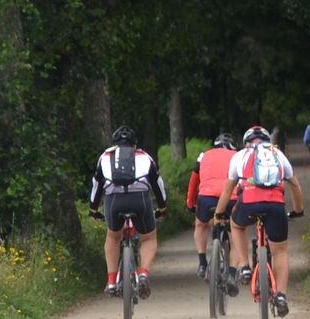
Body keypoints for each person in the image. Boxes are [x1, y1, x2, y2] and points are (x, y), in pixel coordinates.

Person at [214, 125, 307, 315]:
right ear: (268, 141)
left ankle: (245, 266)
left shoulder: (239, 156)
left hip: (248, 203)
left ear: (246, 143)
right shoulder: (278, 155)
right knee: (280, 252)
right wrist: (298, 210)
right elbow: (295, 186)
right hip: (275, 206)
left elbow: (227, 190)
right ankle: (281, 295)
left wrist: (218, 214)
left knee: (236, 225)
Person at [87, 125, 167, 298]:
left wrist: (93, 209)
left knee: (113, 236)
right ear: (135, 144)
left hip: (114, 202)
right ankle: (144, 273)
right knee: (149, 238)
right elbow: (157, 184)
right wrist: (162, 207)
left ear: (115, 143)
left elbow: (97, 185)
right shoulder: (145, 156)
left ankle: (110, 281)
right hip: (140, 200)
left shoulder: (105, 157)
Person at [186, 132, 236, 283]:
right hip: (230, 198)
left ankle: (202, 263)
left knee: (200, 225)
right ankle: (233, 272)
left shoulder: (204, 155)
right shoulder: (237, 156)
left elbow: (194, 180)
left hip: (206, 197)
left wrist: (190, 203)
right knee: (236, 231)